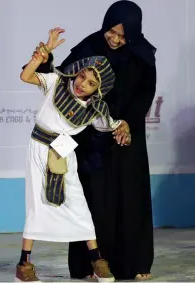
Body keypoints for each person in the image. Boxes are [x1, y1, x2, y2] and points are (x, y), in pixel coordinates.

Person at [32, 0, 157, 280]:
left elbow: (145, 93)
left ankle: (136, 264)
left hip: (126, 136)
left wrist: (127, 123)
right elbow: (64, 77)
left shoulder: (142, 54)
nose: (114, 39)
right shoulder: (90, 47)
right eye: (110, 32)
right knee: (93, 201)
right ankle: (90, 265)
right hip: (93, 140)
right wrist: (46, 58)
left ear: (133, 33)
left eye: (122, 35)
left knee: (131, 197)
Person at [15, 28, 128, 282]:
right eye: (82, 76)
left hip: (65, 155)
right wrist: (45, 52)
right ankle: (24, 264)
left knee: (78, 205)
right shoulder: (56, 83)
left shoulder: (95, 109)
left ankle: (97, 259)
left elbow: (111, 123)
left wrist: (124, 126)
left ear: (98, 89)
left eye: (90, 83)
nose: (82, 84)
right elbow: (25, 75)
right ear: (77, 72)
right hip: (40, 150)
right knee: (36, 204)